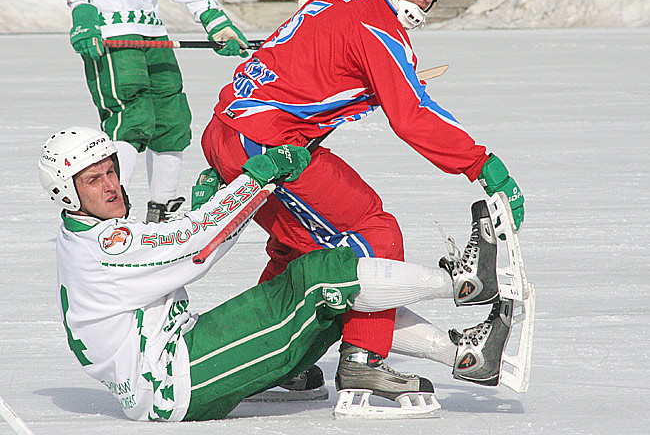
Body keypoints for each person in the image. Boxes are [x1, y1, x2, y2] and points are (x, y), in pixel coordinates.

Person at [200, 0, 526, 397]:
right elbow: (411, 115)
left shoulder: (337, 1)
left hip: (234, 133)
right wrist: (485, 166)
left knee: (301, 249)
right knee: (374, 232)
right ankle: (362, 360)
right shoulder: (377, 25)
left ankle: (279, 354)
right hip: (266, 144)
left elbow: (311, 64)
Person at [39, 126, 515, 420]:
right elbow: (196, 247)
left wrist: (226, 202)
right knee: (320, 278)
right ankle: (462, 281)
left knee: (327, 300)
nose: (111, 185)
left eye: (110, 171)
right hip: (173, 378)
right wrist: (254, 178)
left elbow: (189, 244)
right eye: (93, 179)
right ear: (67, 192)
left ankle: (466, 355)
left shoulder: (87, 234)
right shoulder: (105, 243)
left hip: (175, 359)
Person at [56, 0, 250, 223]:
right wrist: (82, 11)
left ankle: (162, 212)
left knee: (171, 120)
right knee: (132, 119)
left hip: (151, 29)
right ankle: (112, 218)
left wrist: (213, 19)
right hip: (109, 27)